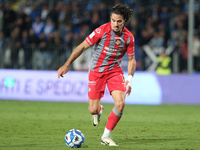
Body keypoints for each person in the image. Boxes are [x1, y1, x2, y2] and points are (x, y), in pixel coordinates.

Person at [57, 4, 136, 146]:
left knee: (120, 103)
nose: (115, 24)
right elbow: (81, 46)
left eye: (119, 21)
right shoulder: (101, 31)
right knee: (93, 109)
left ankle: (106, 136)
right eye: (113, 20)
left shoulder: (129, 37)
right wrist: (67, 64)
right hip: (96, 72)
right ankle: (98, 111)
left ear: (124, 21)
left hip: (114, 71)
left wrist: (129, 80)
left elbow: (131, 60)